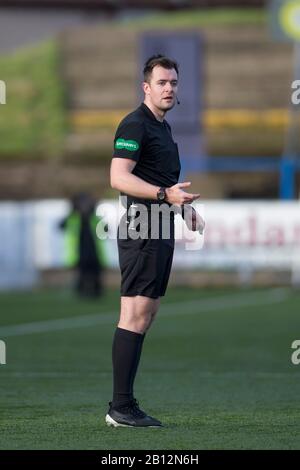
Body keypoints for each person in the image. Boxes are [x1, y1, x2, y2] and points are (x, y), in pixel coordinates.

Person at [105, 55, 203, 428]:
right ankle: (120, 407)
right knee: (134, 314)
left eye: (173, 83)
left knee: (145, 315)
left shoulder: (163, 128)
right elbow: (119, 177)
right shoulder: (135, 124)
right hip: (141, 228)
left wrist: (182, 209)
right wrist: (165, 195)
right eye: (161, 82)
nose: (168, 89)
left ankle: (124, 404)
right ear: (146, 87)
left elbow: (160, 180)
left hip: (158, 225)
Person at [59, 192, 106, 298]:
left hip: (95, 251)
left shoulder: (95, 218)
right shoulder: (72, 218)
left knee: (96, 274)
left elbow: (106, 229)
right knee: (81, 274)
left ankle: (96, 293)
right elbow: (61, 226)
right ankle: (81, 293)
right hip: (78, 252)